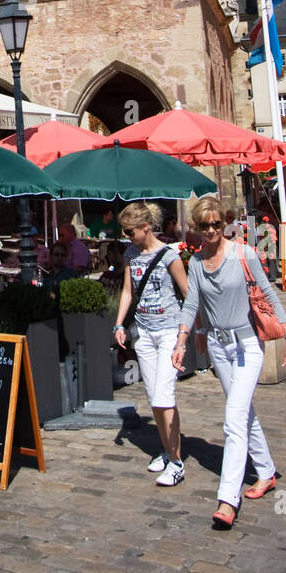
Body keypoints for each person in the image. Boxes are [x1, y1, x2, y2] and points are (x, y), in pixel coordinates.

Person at [172, 196, 286, 529]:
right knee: (243, 413)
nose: (212, 231)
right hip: (218, 346)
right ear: (196, 229)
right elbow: (192, 304)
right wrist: (184, 340)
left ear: (224, 223)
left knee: (233, 419)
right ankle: (267, 471)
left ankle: (227, 499)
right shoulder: (196, 263)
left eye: (217, 224)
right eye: (205, 226)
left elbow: (269, 294)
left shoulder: (243, 253)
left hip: (247, 345)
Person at [114, 202, 189, 487]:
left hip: (169, 332)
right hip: (144, 334)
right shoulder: (130, 254)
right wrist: (119, 324)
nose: (126, 236)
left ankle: (177, 461)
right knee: (153, 396)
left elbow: (187, 293)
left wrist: (188, 334)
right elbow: (127, 291)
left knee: (164, 396)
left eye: (130, 231)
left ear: (146, 227)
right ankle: (167, 450)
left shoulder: (170, 256)